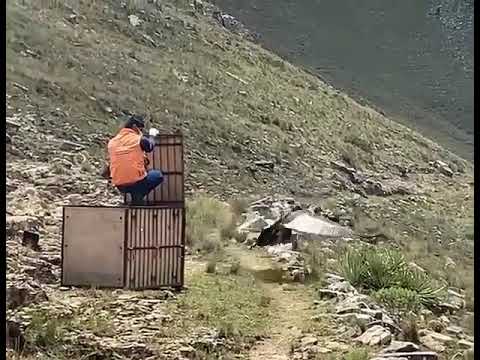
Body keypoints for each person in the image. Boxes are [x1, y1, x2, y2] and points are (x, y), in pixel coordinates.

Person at [106, 115, 163, 205]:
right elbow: (150, 146)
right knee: (157, 175)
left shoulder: (112, 142)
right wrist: (152, 135)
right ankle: (137, 198)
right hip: (135, 182)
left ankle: (136, 198)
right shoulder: (138, 139)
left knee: (135, 180)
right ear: (134, 127)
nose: (141, 132)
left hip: (119, 184)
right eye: (140, 129)